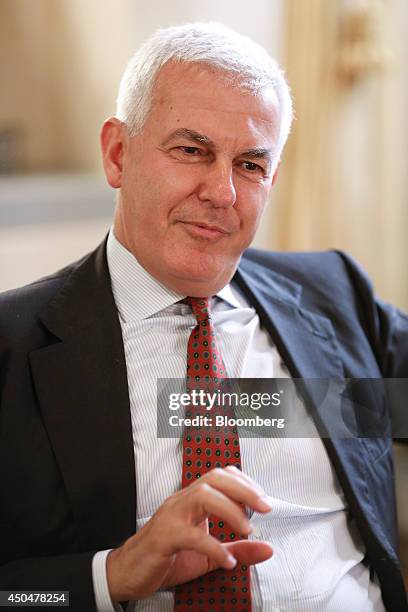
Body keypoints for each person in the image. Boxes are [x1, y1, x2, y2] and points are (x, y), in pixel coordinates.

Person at [0, 22, 407, 612]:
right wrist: (111, 575)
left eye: (250, 165)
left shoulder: (332, 295)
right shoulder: (13, 348)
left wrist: (277, 406)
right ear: (118, 154)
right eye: (191, 150)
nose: (222, 192)